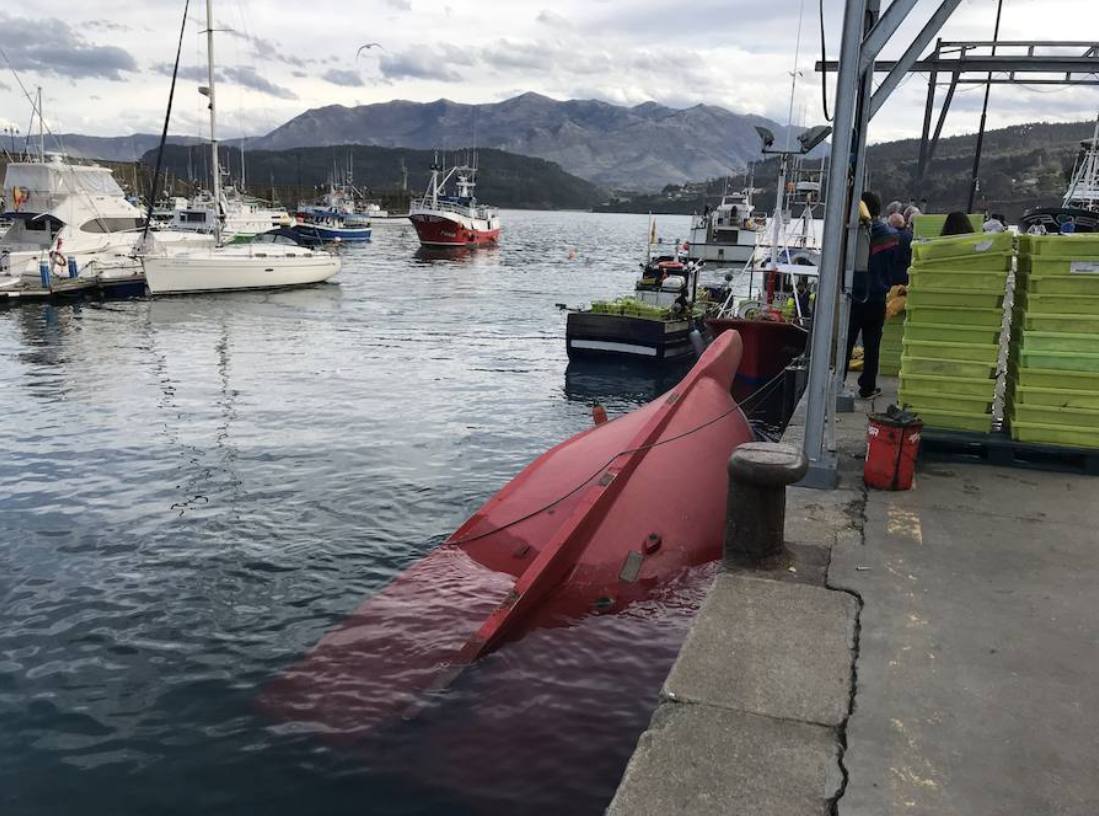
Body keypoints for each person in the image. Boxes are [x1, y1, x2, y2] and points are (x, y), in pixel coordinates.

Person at [845, 190, 904, 399]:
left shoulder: (855, 234)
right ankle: (868, 386)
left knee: (847, 341)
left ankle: (838, 384)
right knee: (872, 344)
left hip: (855, 296)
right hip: (878, 296)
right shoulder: (892, 235)